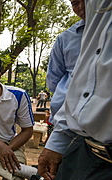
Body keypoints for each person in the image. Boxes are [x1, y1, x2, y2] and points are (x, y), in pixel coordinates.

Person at [36, 1, 112, 180]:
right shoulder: (69, 37)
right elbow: (67, 85)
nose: (80, 5)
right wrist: (58, 139)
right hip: (80, 146)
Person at [46, 0, 85, 128]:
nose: (81, 7)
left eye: (86, 1)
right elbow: (53, 80)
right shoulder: (65, 38)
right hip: (65, 119)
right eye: (75, 3)